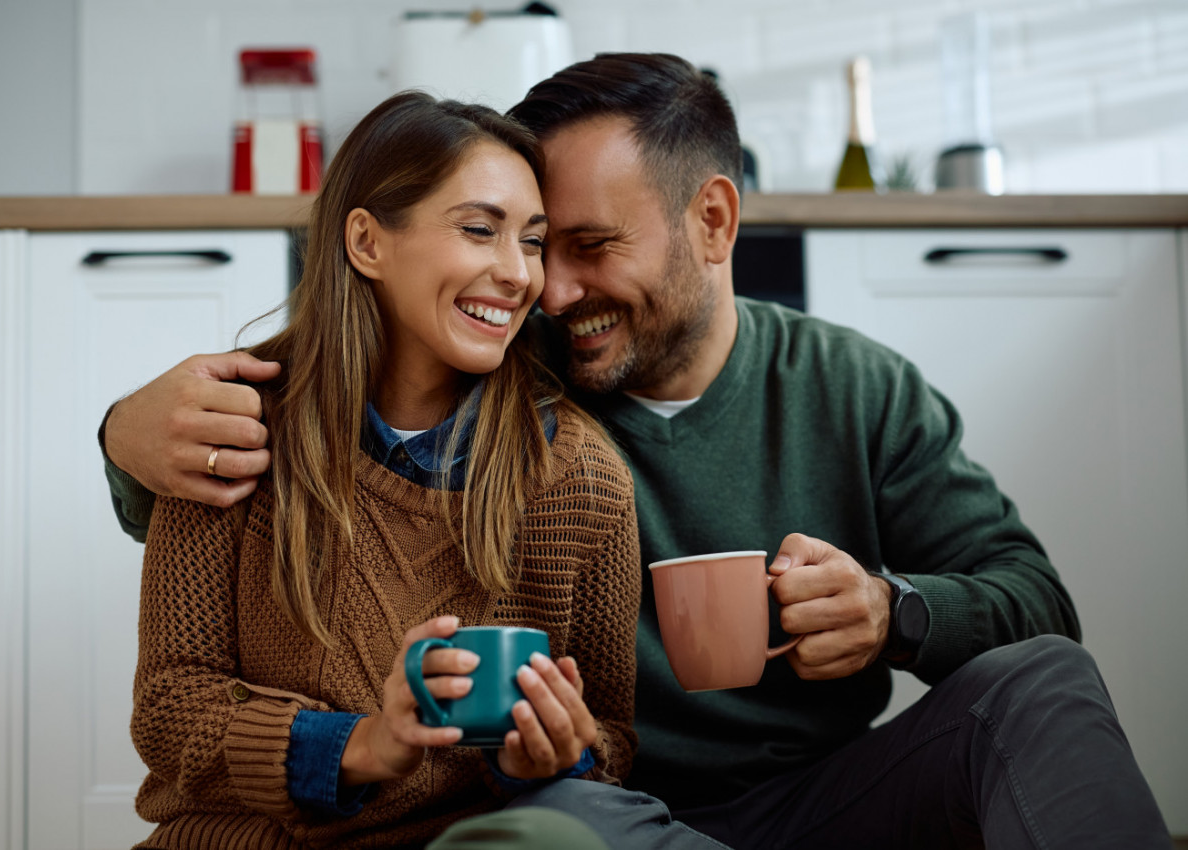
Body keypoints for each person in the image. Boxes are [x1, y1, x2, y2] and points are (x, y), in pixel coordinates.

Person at [105, 56, 1172, 849]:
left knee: (1043, 682)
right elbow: (323, 420)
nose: (547, 290)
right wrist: (124, 434)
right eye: (524, 242)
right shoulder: (512, 369)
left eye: (584, 247)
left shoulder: (853, 387)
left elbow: (1036, 600)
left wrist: (896, 611)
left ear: (711, 220)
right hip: (600, 810)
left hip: (822, 795)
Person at [125, 90, 642, 850]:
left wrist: (548, 761)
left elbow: (613, 741)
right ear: (366, 242)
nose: (517, 274)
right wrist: (361, 745)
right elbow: (170, 710)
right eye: (478, 230)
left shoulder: (580, 477)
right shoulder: (231, 429)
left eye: (531, 242)